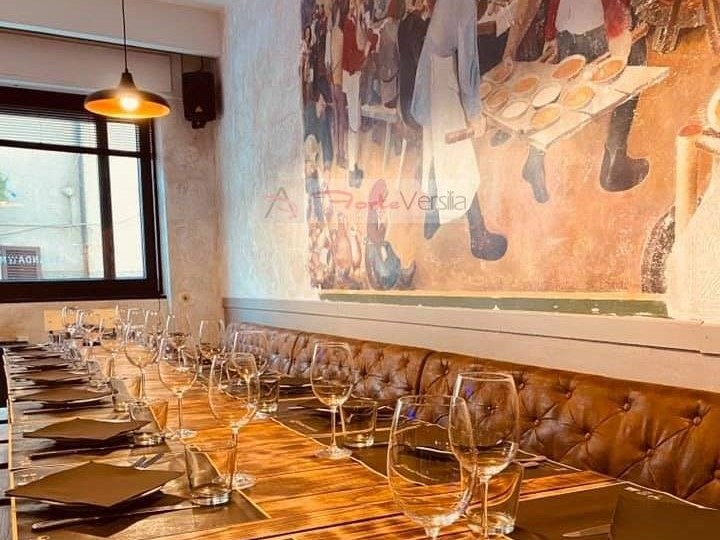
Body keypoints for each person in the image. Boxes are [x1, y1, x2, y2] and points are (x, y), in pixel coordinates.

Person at [505, 0, 649, 203]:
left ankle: (534, 160)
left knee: (559, 94)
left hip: (567, 30)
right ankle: (615, 164)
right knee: (634, 66)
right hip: (599, 25)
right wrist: (619, 29)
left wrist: (551, 33)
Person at [411, 0, 507, 261]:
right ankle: (479, 237)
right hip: (439, 77)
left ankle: (432, 218)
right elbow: (468, 60)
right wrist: (474, 114)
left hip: (435, 71)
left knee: (437, 153)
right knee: (461, 162)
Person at [365, 179, 416, 290]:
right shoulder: (373, 213)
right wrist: (383, 226)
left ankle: (402, 275)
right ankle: (399, 277)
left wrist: (384, 225)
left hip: (378, 246)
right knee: (385, 270)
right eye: (383, 194)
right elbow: (373, 235)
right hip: (374, 252)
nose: (385, 197)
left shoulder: (378, 211)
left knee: (388, 247)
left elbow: (380, 236)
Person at [343, 0, 373, 187]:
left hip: (354, 76)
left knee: (356, 123)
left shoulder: (354, 22)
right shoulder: (349, 23)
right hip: (351, 76)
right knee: (354, 125)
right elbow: (354, 53)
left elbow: (360, 42)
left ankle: (353, 168)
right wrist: (366, 53)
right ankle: (352, 172)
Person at [326, 2, 348, 169]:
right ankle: (340, 154)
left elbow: (327, 61)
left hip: (331, 81)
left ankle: (335, 154)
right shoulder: (340, 34)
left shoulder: (330, 34)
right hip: (339, 79)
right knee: (341, 118)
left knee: (335, 118)